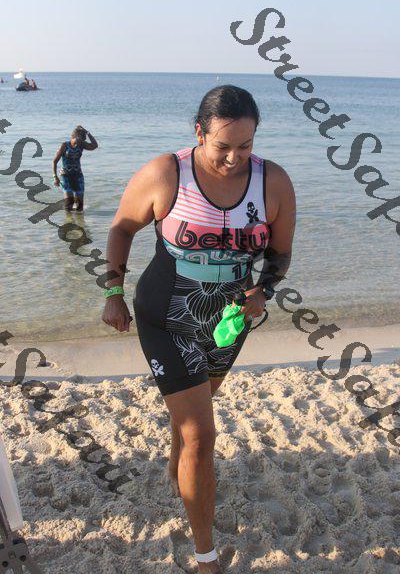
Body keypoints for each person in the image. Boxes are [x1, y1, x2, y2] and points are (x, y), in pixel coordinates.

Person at [101, 85, 296, 573]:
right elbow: (122, 228)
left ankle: (178, 465)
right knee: (201, 435)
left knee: (194, 416)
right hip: (166, 314)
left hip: (229, 322)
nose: (234, 158)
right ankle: (206, 556)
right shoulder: (167, 173)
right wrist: (112, 293)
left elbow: (279, 254)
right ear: (199, 132)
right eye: (222, 146)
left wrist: (264, 291)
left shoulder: (273, 182)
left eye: (245, 146)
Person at [52, 126, 98, 211]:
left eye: (81, 141)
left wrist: (87, 132)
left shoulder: (82, 144)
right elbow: (54, 161)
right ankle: (69, 219)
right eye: (77, 141)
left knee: (79, 205)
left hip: (78, 175)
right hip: (66, 175)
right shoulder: (64, 145)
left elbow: (95, 146)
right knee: (69, 203)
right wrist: (55, 177)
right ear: (72, 137)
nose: (78, 144)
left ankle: (79, 219)